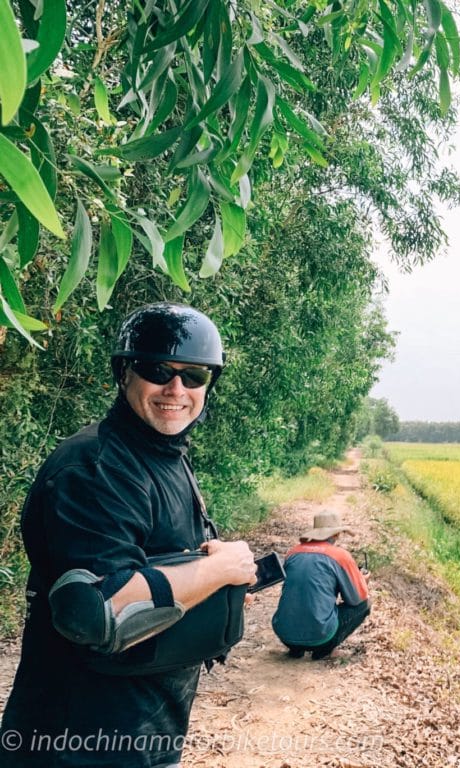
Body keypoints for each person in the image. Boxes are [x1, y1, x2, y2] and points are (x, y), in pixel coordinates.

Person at [0, 303, 257, 768]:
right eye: (158, 371)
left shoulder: (164, 455)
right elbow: (96, 610)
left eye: (194, 375)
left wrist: (213, 568)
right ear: (124, 373)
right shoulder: (94, 468)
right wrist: (218, 570)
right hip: (74, 740)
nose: (176, 389)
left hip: (145, 730)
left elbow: (161, 559)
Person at [272, 511, 370, 660]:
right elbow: (356, 599)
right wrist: (362, 581)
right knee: (365, 604)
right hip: (321, 636)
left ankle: (296, 649)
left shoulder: (293, 552)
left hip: (285, 635)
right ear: (336, 534)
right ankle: (325, 650)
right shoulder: (340, 555)